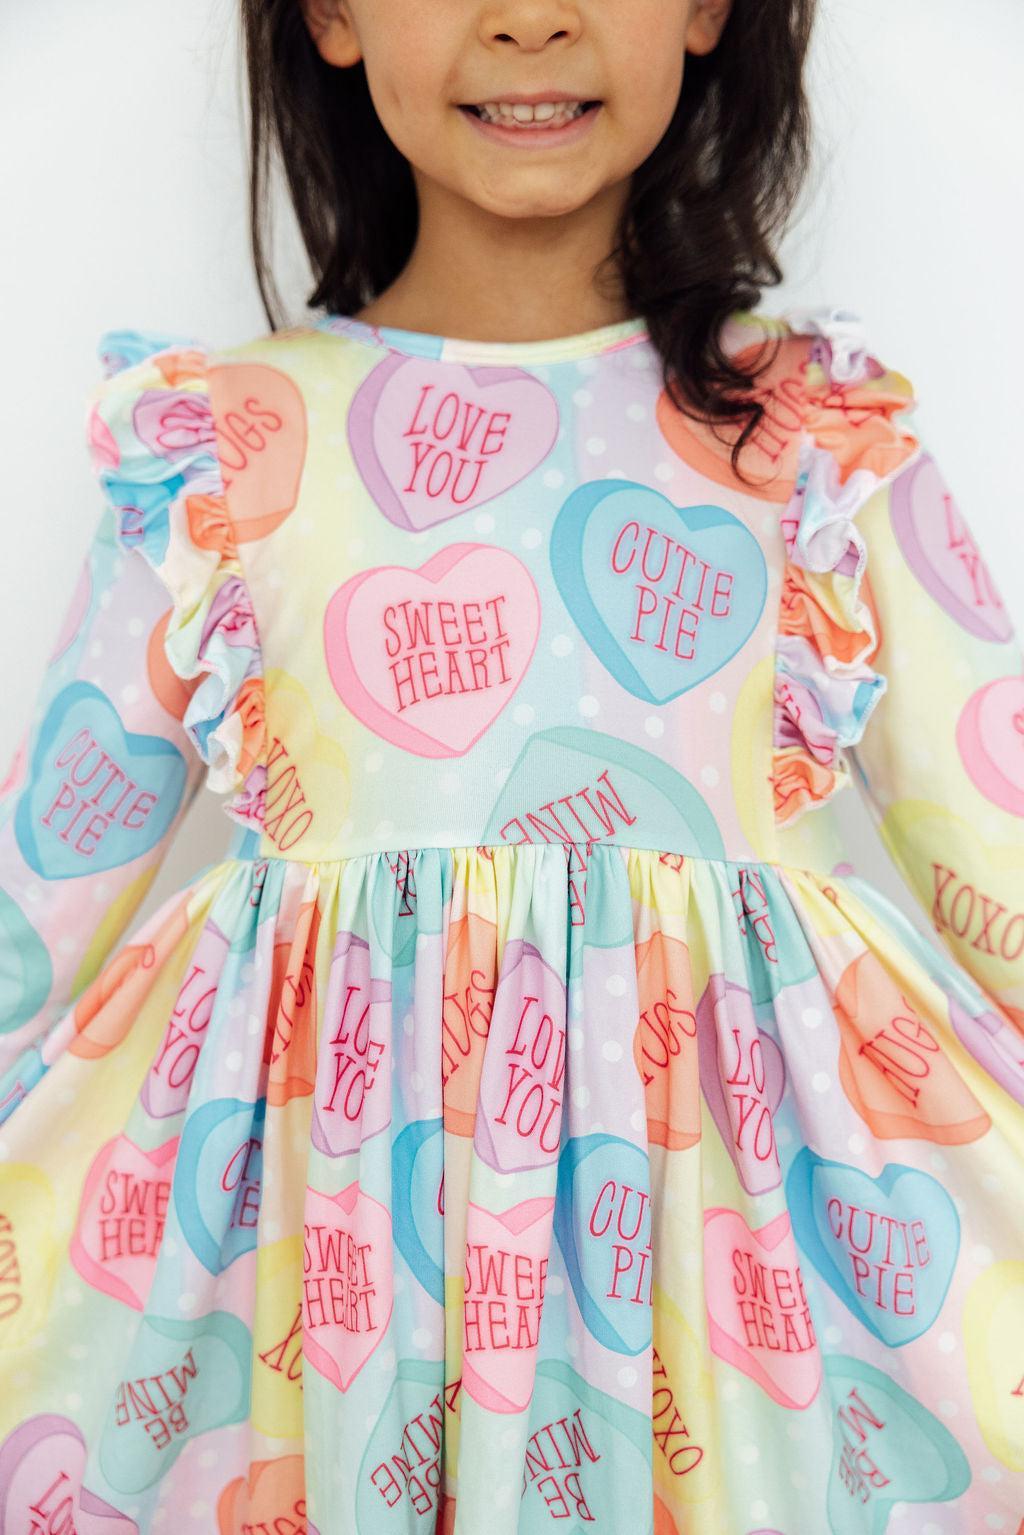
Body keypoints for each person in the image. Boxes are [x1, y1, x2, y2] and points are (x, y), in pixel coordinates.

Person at [0, 1, 1021, 1530]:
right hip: (341, 1286)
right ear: (331, 16)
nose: (529, 17)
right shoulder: (224, 443)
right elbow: (36, 916)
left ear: (708, 9)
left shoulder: (812, 437)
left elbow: (1000, 852)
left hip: (725, 1313)